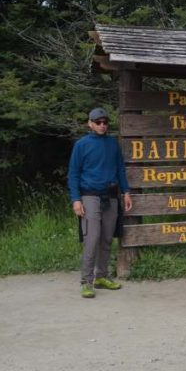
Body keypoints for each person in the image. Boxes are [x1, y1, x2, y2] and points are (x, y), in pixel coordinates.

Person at [68, 107, 132, 299]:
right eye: (98, 122)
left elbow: (120, 169)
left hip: (111, 196)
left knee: (106, 238)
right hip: (89, 196)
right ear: (90, 123)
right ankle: (86, 282)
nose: (102, 126)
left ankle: (101, 276)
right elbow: (73, 174)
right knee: (92, 238)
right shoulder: (81, 145)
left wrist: (126, 192)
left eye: (105, 122)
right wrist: (76, 199)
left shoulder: (113, 143)